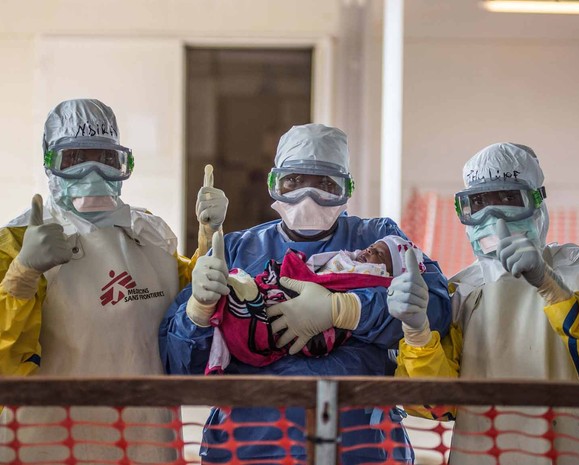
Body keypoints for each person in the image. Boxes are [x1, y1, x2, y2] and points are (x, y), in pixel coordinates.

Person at [160, 123, 452, 465]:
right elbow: (177, 366)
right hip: (250, 448)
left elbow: (436, 309)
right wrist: (197, 310)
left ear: (347, 190)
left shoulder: (378, 241)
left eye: (326, 185)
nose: (308, 197)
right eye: (294, 182)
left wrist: (347, 309)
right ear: (274, 185)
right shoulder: (236, 249)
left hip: (360, 448)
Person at [387, 142, 579, 465]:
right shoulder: (460, 291)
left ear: (537, 203)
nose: (492, 217)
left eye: (509, 200)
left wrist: (551, 287)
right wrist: (417, 334)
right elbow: (434, 404)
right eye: (478, 203)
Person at [0, 98, 194, 463]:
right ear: (49, 163)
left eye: (105, 159)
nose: (93, 173)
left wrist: (209, 246)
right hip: (48, 445)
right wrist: (23, 273)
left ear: (122, 165)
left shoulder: (150, 234)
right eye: (74, 159)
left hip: (146, 442)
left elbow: (189, 312)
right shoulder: (16, 242)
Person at [205, 234, 427, 373]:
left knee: (260, 320)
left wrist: (341, 308)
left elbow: (437, 310)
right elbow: (179, 359)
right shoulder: (239, 243)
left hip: (318, 327)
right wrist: (199, 306)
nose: (370, 250)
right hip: (296, 293)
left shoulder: (377, 279)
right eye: (372, 246)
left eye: (380, 253)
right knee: (243, 300)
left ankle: (246, 313)